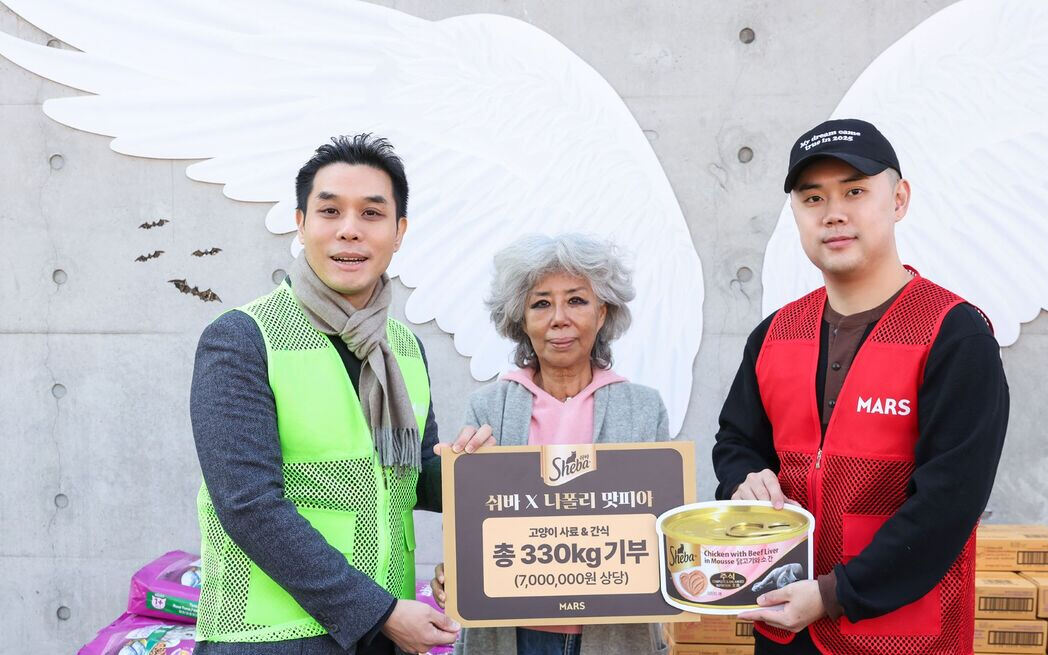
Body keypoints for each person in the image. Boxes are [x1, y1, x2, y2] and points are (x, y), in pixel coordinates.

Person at [712, 119, 1008, 654]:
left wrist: (834, 594)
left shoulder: (953, 334)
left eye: (855, 191)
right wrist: (744, 479)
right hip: (787, 625)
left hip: (900, 632)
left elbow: (950, 502)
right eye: (812, 198)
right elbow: (736, 442)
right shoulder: (775, 334)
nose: (834, 213)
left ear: (898, 200)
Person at [190, 134, 490, 655]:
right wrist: (379, 612)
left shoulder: (401, 347)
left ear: (399, 232)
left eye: (372, 214)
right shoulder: (242, 337)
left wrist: (470, 473)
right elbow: (248, 504)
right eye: (330, 211)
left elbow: (404, 475)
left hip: (381, 633)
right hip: (271, 639)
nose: (350, 229)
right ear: (301, 223)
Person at [430, 232, 670, 655]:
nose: (559, 318)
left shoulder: (644, 407)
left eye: (577, 300)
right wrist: (455, 567)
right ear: (520, 319)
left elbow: (662, 527)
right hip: (511, 637)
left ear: (603, 313)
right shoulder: (487, 407)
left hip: (616, 638)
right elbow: (468, 532)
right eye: (541, 303)